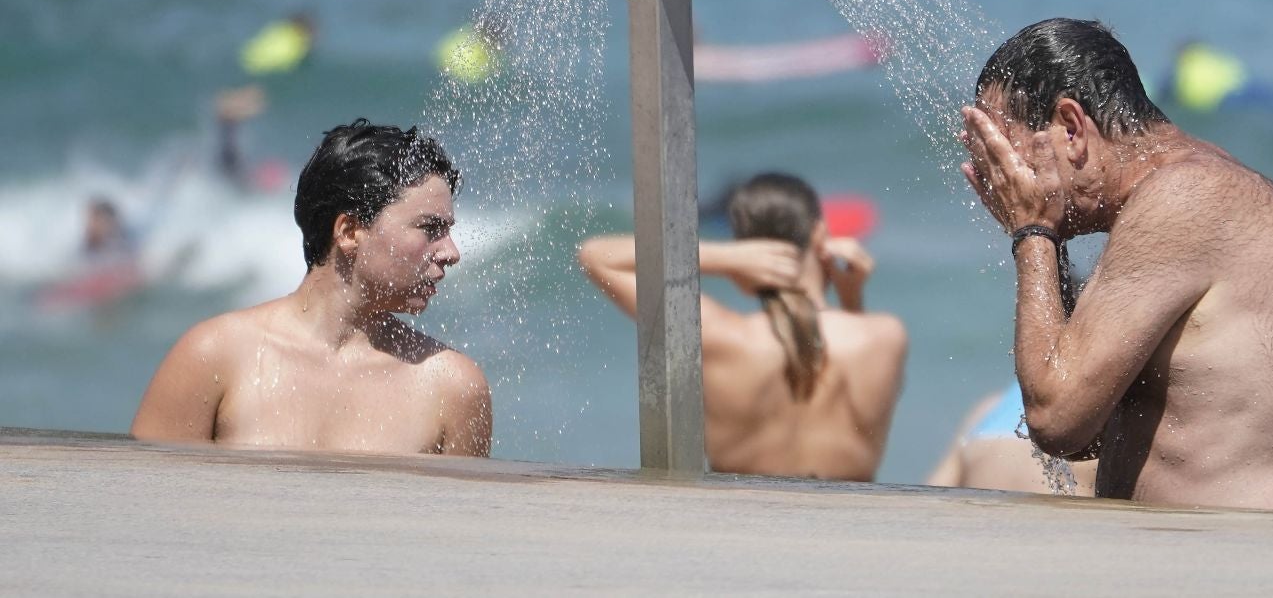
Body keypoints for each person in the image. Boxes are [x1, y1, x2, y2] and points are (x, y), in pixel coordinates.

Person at [959, 18, 1273, 513]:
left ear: (1070, 129)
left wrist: (1032, 232)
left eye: (1004, 151)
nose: (1001, 176)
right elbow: (1084, 436)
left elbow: (1055, 417)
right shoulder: (1181, 190)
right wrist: (1047, 232)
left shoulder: (1185, 196)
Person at [131, 119, 492, 456]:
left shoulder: (452, 386)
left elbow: (458, 523)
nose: (451, 252)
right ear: (349, 232)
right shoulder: (214, 356)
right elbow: (148, 509)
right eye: (430, 229)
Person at [578, 172, 907, 481]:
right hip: (849, 535)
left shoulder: (717, 335)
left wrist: (723, 257)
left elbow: (595, 255)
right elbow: (867, 384)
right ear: (820, 235)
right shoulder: (886, 336)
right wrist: (852, 296)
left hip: (737, 534)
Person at [926, 381, 1095, 495]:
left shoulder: (989, 409)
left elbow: (936, 493)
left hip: (981, 537)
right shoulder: (1099, 419)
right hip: (1057, 539)